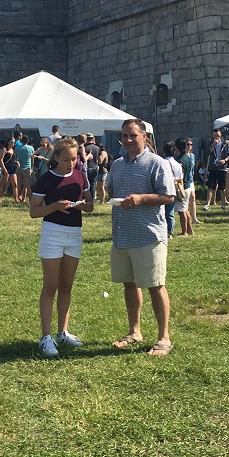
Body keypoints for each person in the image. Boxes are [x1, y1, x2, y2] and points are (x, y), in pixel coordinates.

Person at [106, 118, 176, 356]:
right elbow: (111, 190)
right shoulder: (117, 164)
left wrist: (141, 199)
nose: (127, 140)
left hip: (149, 235)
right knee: (129, 284)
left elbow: (168, 197)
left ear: (144, 137)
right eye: (124, 136)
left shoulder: (156, 163)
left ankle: (164, 337)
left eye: (132, 136)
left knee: (155, 285)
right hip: (122, 234)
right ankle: (134, 331)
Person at [30, 137, 93, 357]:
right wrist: (55, 206)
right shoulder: (46, 179)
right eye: (66, 159)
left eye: (74, 159)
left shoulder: (80, 176)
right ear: (55, 157)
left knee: (67, 286)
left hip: (74, 234)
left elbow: (91, 205)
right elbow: (34, 211)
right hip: (52, 234)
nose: (71, 163)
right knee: (50, 286)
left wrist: (84, 205)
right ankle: (45, 337)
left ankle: (62, 332)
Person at [204, 129, 229, 211]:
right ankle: (207, 204)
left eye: (217, 135)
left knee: (222, 187)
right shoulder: (210, 142)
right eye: (214, 135)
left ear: (220, 135)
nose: (216, 137)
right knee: (210, 186)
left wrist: (225, 160)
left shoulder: (225, 143)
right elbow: (207, 153)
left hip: (222, 167)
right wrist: (212, 146)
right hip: (213, 167)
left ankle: (223, 203)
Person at [162, 141, 183, 238]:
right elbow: (180, 179)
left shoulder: (162, 163)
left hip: (164, 187)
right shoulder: (177, 164)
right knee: (170, 212)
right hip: (175, 186)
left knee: (162, 211)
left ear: (164, 152)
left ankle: (163, 230)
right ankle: (170, 232)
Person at [175, 138, 194, 236]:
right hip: (188, 186)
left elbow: (180, 177)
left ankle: (184, 231)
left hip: (182, 187)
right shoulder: (187, 157)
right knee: (185, 209)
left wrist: (180, 192)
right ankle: (190, 229)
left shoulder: (180, 160)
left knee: (181, 211)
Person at [0, 137, 20, 203]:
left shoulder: (13, 150)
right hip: (6, 168)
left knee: (15, 184)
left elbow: (14, 158)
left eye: (14, 142)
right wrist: (4, 169)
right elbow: (1, 160)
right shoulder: (4, 149)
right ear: (8, 142)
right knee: (4, 183)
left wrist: (16, 162)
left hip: (13, 168)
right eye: (11, 142)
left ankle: (16, 199)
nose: (13, 144)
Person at [16, 135, 35, 202]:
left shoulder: (17, 148)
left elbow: (16, 157)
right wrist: (32, 167)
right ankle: (30, 199)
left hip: (19, 168)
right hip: (27, 168)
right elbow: (32, 159)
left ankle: (18, 198)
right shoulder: (31, 148)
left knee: (18, 184)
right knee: (28, 185)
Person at [84, 133, 101, 200]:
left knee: (87, 185)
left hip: (88, 168)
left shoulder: (85, 148)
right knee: (93, 185)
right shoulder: (97, 148)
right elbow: (99, 158)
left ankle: (87, 199)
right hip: (95, 168)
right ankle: (93, 199)